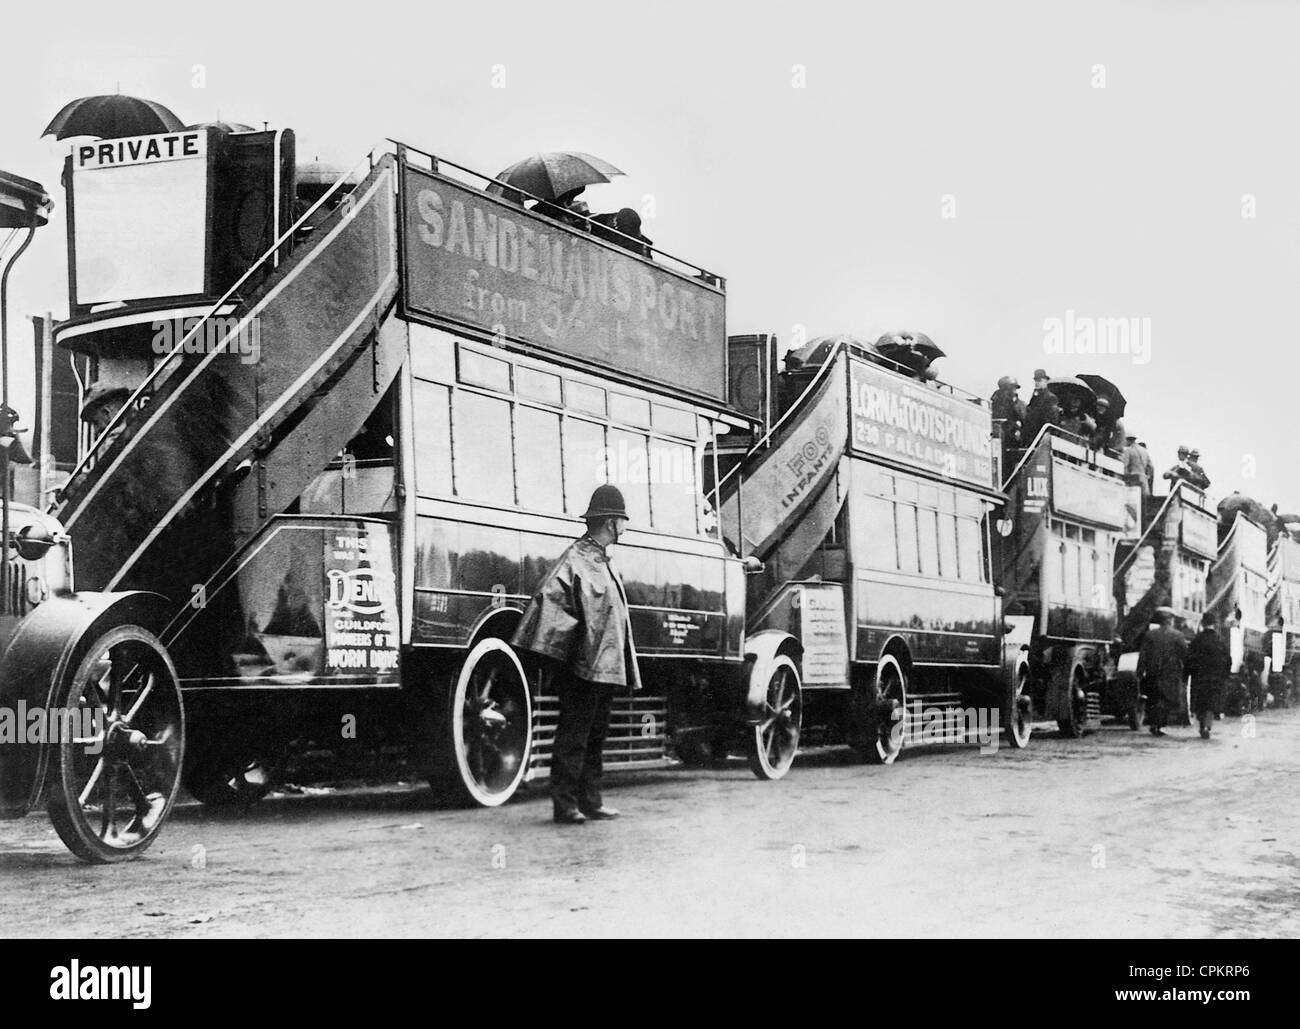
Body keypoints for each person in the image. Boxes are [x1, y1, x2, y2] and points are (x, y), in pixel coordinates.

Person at [511, 485, 642, 824]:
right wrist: (569, 656)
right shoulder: (576, 560)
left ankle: (590, 800)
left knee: (594, 736)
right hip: (582, 669)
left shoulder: (599, 560)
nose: (626, 527)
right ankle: (565, 803)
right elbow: (550, 605)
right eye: (624, 520)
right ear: (612, 522)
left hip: (603, 669)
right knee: (574, 736)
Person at [1136, 606, 1188, 736]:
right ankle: (1159, 725)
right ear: (1170, 620)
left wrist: (1139, 672)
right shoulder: (1178, 635)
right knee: (1166, 699)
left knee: (1154, 698)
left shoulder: (1150, 635)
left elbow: (1143, 655)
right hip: (1171, 673)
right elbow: (1184, 655)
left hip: (1153, 672)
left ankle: (1155, 723)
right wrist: (1186, 671)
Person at [1186, 612, 1230, 739]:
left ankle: (1202, 726)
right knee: (1211, 703)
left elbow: (1189, 658)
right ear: (1215, 625)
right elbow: (1228, 659)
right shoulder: (1220, 640)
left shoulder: (1197, 640)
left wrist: (1187, 673)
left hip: (1199, 677)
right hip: (1216, 678)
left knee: (1201, 703)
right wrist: (1225, 674)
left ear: (1203, 624)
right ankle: (1207, 726)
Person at [990, 375, 1027, 452]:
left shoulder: (1020, 404)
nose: (1014, 391)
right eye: (1011, 388)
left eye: (1014, 388)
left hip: (1014, 438)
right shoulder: (997, 403)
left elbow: (1024, 419)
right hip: (1004, 436)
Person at [1023, 368, 1060, 443]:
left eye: (1040, 381)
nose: (1037, 383)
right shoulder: (1035, 397)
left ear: (1046, 382)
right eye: (1036, 381)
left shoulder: (1050, 397)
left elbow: (1053, 419)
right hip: (1033, 435)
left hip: (1042, 435)